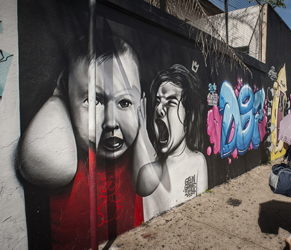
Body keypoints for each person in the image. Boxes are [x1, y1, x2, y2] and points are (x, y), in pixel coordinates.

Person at [18, 34, 155, 249]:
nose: (111, 122)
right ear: (66, 93)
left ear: (140, 106)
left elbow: (148, 183)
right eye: (93, 100)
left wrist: (140, 125)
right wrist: (58, 97)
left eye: (125, 102)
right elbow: (48, 166)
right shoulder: (64, 147)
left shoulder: (136, 153)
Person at [136, 64, 208, 221]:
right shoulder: (149, 171)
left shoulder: (198, 161)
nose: (159, 108)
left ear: (190, 117)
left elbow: (200, 210)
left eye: (170, 102)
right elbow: (145, 181)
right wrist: (142, 137)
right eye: (157, 101)